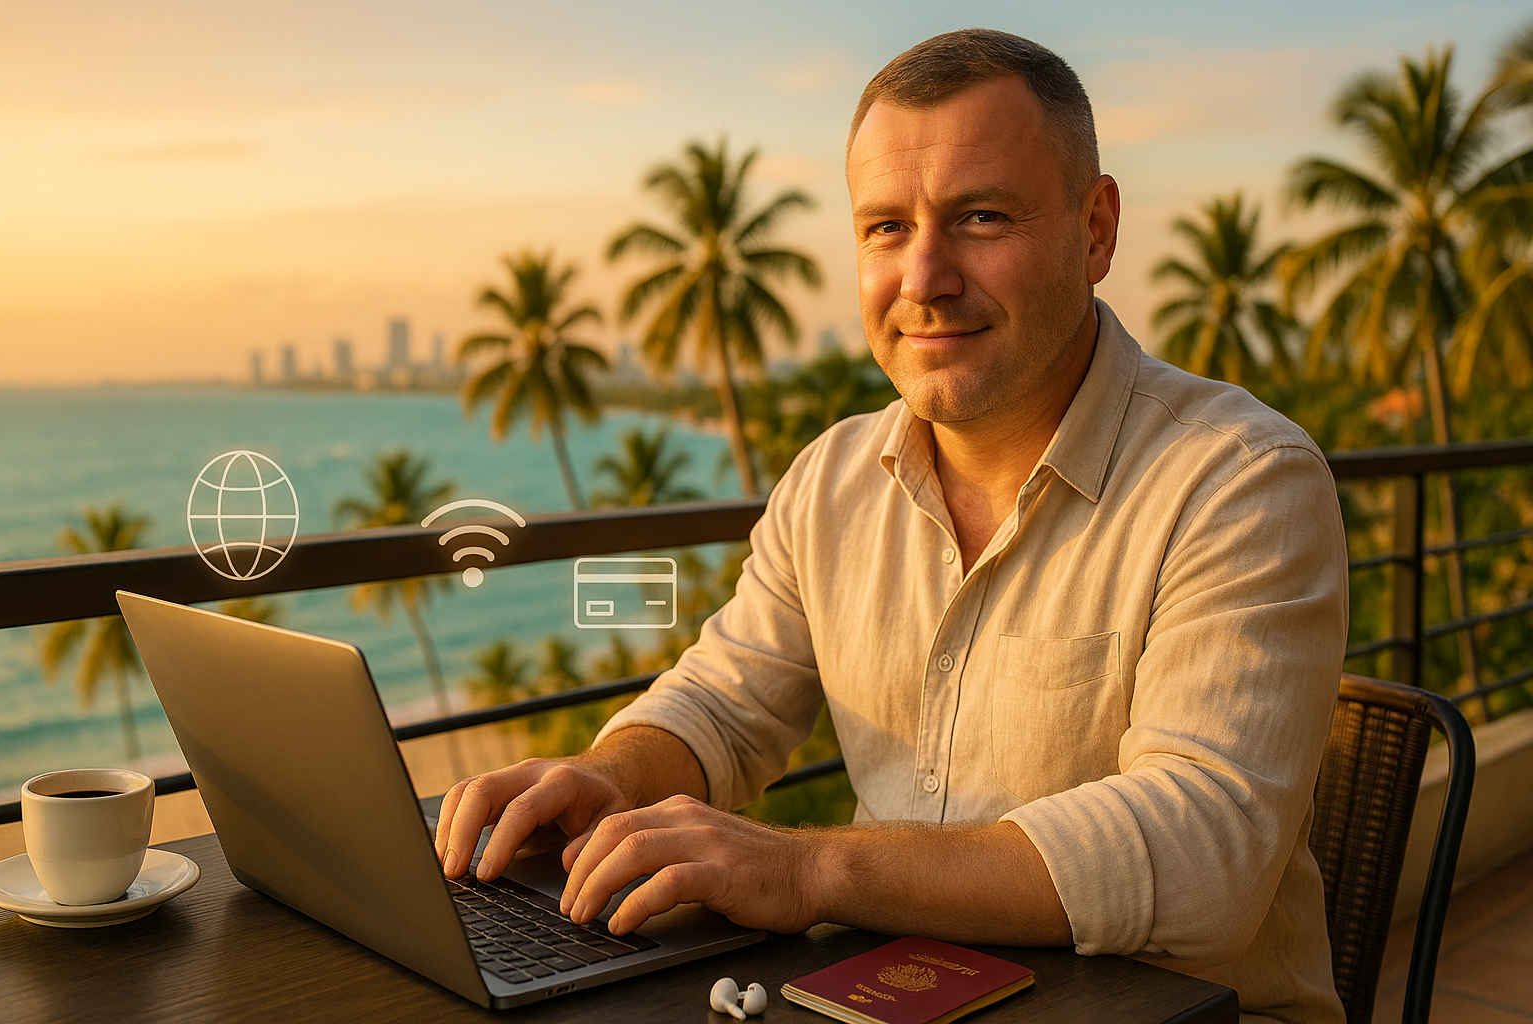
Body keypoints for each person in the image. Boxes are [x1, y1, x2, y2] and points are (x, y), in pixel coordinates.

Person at [435, 29, 1348, 1024]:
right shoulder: (832, 480)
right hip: (885, 1001)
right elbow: (726, 703)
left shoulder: (1241, 481)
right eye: (883, 228)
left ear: (1096, 229)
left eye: (982, 217)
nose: (924, 278)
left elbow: (1203, 852)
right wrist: (603, 778)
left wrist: (812, 867)